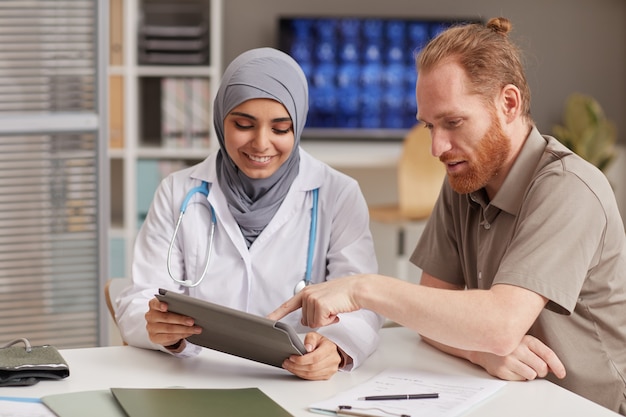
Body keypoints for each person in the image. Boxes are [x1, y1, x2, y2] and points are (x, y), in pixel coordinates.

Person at [269, 17, 626, 414]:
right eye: (429, 126)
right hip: (513, 394)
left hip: (588, 405)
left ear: (509, 103)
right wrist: (483, 353)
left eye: (453, 123)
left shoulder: (569, 187)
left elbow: (499, 324)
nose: (437, 147)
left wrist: (361, 288)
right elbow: (430, 311)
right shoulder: (468, 176)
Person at [115, 47, 384, 381]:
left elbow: (363, 305)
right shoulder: (177, 191)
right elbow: (139, 297)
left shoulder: (338, 194)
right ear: (220, 119)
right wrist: (156, 327)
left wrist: (337, 349)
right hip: (195, 376)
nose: (260, 144)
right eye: (244, 124)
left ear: (298, 126)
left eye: (280, 129)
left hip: (293, 380)